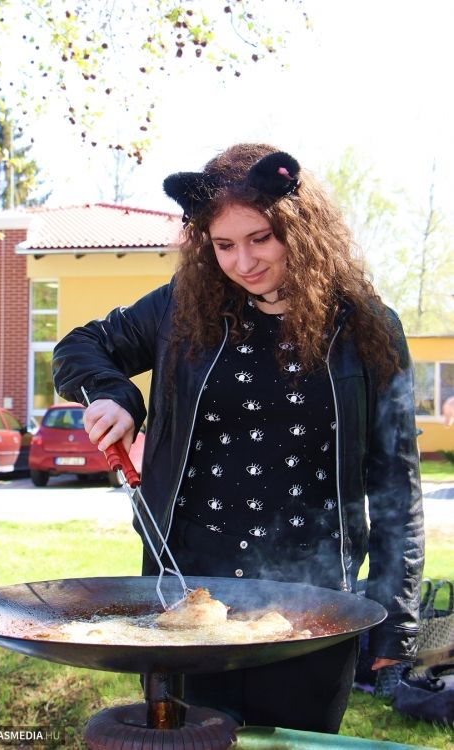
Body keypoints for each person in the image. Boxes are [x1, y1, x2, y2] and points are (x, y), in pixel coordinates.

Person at [52, 143, 424, 733]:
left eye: (260, 239)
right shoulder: (181, 307)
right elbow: (81, 345)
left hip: (315, 604)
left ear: (300, 230)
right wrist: (113, 395)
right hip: (186, 593)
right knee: (186, 743)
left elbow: (397, 486)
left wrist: (394, 623)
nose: (243, 262)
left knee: (293, 745)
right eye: (224, 245)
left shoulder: (369, 327)